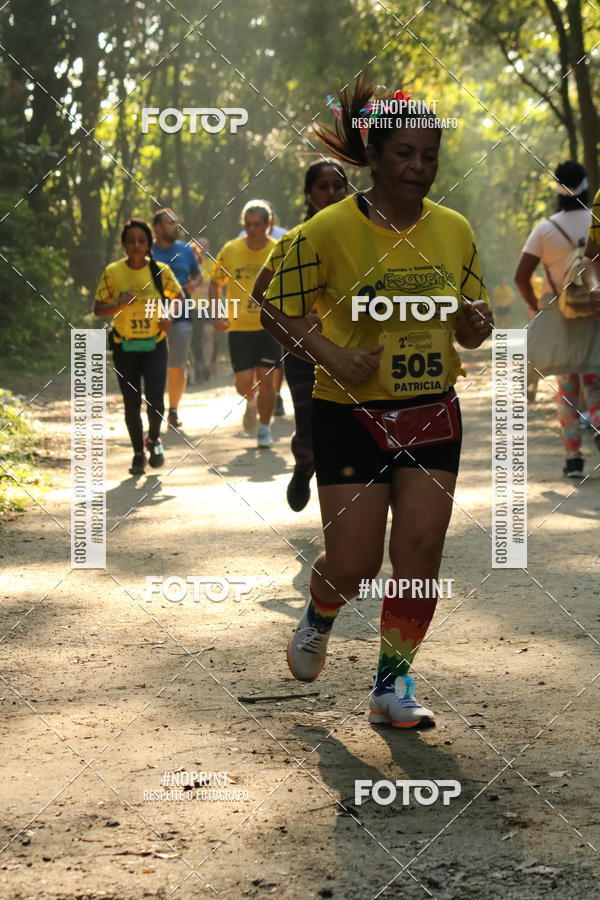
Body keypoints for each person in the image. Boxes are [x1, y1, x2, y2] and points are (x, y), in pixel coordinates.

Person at [262, 78, 493, 728]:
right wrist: (332, 356)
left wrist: (475, 324)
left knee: (420, 550)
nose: (419, 167)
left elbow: (474, 327)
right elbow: (273, 306)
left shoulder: (454, 230)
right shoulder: (328, 230)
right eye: (405, 154)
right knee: (355, 563)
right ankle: (320, 612)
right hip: (351, 415)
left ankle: (392, 684)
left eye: (430, 155)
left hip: (431, 411)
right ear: (375, 155)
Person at [252, 159, 349, 511]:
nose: (331, 193)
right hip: (303, 349)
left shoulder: (367, 237)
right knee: (310, 422)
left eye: (338, 186)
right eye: (322, 187)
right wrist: (301, 317)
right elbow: (260, 292)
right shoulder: (292, 240)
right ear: (308, 194)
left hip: (357, 347)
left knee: (350, 428)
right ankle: (305, 461)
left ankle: (345, 503)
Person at [515, 161, 599, 478]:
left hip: (560, 314)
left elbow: (521, 276)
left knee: (566, 387)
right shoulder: (595, 220)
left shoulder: (546, 229)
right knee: (594, 380)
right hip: (595, 312)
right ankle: (598, 426)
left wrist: (537, 308)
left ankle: (573, 458)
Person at [95, 218, 184, 475]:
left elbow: (178, 298)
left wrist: (169, 316)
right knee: (131, 403)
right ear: (123, 244)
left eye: (141, 241)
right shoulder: (113, 272)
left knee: (155, 398)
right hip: (124, 346)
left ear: (149, 245)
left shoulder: (161, 271)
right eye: (131, 241)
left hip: (155, 344)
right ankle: (137, 454)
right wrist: (119, 304)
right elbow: (98, 309)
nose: (136, 245)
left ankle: (154, 438)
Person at [209, 200, 279, 448]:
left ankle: (265, 428)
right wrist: (217, 314)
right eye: (248, 224)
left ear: (268, 224)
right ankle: (250, 401)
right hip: (238, 327)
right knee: (243, 383)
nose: (252, 230)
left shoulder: (278, 250)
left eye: (257, 224)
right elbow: (215, 283)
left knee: (267, 380)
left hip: (269, 326)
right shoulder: (231, 250)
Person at [152, 208, 202, 429]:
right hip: (151, 316)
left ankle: (173, 410)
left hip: (181, 314)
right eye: (171, 223)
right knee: (154, 367)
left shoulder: (186, 250)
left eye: (176, 222)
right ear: (157, 228)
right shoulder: (148, 251)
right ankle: (155, 409)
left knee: (177, 365)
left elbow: (198, 274)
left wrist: (194, 283)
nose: (176, 227)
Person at [190, 237, 216, 383]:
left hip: (207, 306)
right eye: (200, 246)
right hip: (191, 306)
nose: (203, 249)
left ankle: (206, 366)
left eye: (205, 246)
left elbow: (216, 286)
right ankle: (195, 367)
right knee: (194, 338)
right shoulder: (189, 263)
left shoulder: (212, 264)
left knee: (208, 333)